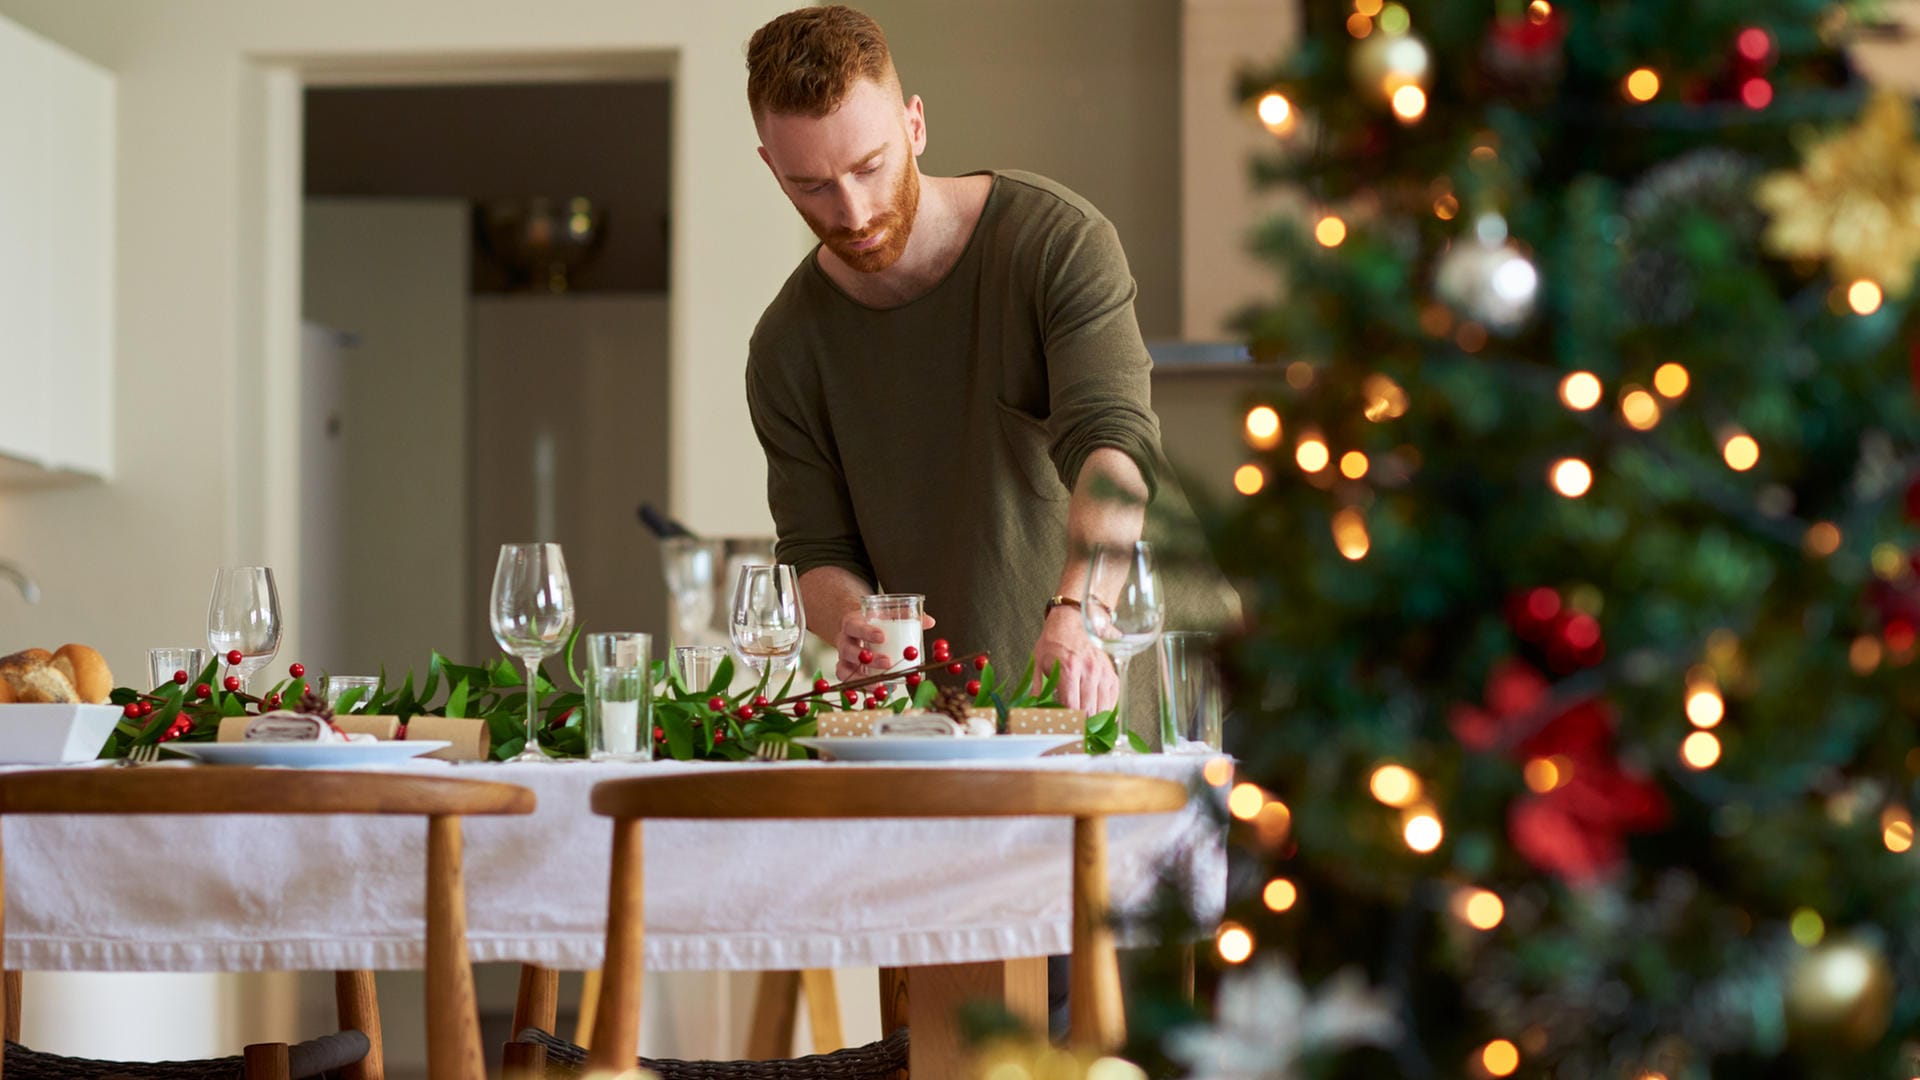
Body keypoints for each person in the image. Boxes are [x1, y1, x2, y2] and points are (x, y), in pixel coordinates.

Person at [743, 5, 1234, 724]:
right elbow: (816, 549)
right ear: (772, 169)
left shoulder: (1055, 244)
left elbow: (1113, 445)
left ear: (915, 125)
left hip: (1157, 682)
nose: (851, 211)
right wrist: (853, 620)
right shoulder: (787, 347)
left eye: (870, 166)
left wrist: (1079, 612)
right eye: (810, 185)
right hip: (969, 726)